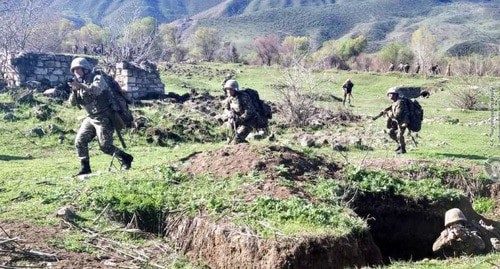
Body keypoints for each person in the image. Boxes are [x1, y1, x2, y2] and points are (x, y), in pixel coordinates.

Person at [68, 57, 133, 176]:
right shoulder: (78, 84)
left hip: (105, 116)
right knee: (80, 141)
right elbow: (72, 103)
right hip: (91, 117)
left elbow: (96, 90)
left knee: (105, 146)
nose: (76, 72)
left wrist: (81, 86)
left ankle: (126, 157)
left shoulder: (97, 77)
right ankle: (85, 168)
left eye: (78, 69)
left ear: (86, 69)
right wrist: (74, 90)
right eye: (74, 70)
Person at [222, 79, 258, 144]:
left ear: (235, 89)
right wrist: (229, 114)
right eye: (227, 89)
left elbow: (250, 111)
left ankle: (246, 148)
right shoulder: (229, 98)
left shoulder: (243, 97)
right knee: (229, 140)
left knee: (236, 140)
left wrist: (240, 119)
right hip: (237, 121)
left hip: (249, 122)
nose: (228, 91)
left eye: (230, 89)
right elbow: (226, 109)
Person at [385, 88, 409, 154]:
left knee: (399, 135)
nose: (390, 96)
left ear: (396, 95)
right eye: (389, 95)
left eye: (391, 95)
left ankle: (403, 149)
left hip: (403, 121)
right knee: (391, 132)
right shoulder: (394, 103)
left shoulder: (400, 102)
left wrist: (390, 114)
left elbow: (397, 114)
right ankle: (399, 145)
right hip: (396, 121)